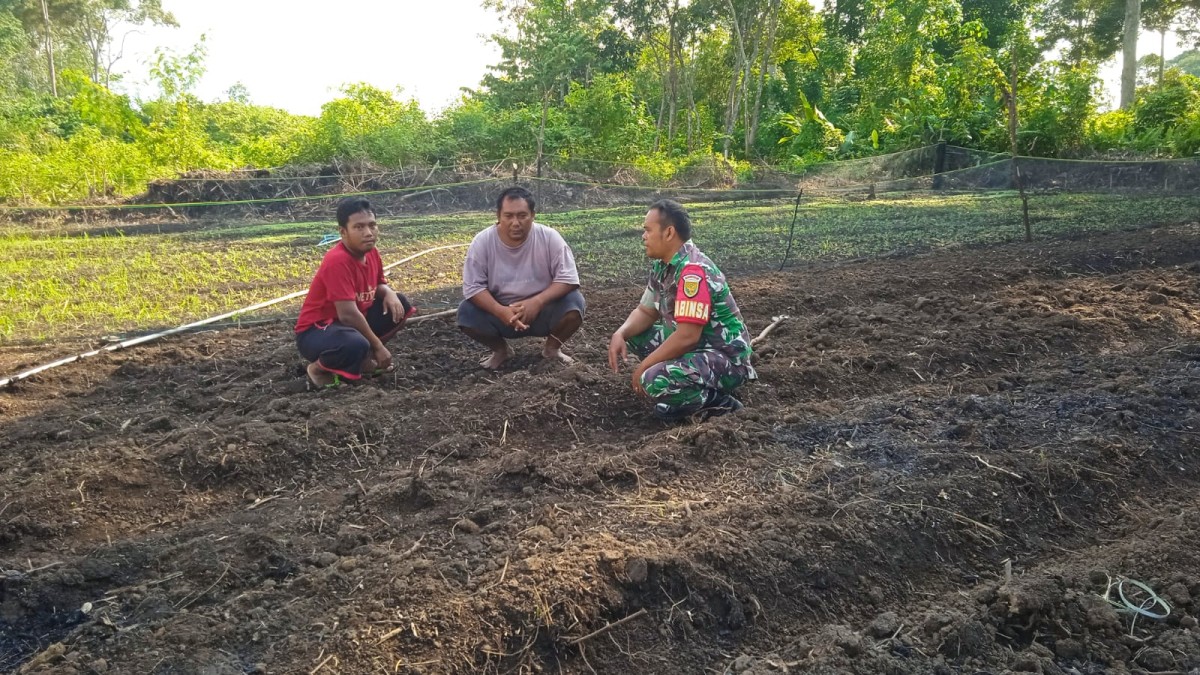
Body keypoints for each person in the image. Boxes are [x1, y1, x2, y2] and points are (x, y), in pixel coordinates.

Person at [607, 199, 756, 420]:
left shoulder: (692, 272)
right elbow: (646, 311)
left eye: (648, 230)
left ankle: (719, 404)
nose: (643, 236)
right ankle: (692, 387)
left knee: (653, 380)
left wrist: (643, 369)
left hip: (726, 359)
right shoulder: (663, 266)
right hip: (698, 350)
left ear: (668, 233)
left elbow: (687, 337)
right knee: (633, 336)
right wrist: (620, 333)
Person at [458, 186, 585, 369]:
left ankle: (552, 349)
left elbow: (569, 279)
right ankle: (501, 351)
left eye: (522, 215)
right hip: (501, 313)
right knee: (466, 313)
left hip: (543, 312)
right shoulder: (482, 242)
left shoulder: (549, 238)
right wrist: (500, 310)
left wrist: (537, 302)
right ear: (498, 216)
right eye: (508, 216)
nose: (515, 222)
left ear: (533, 215)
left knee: (574, 303)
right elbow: (473, 287)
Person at [295, 197, 415, 389]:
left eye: (372, 225)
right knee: (355, 343)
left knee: (400, 304)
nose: (368, 233)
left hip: (346, 325)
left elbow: (377, 285)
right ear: (343, 232)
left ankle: (363, 359)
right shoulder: (338, 261)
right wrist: (378, 347)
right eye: (359, 227)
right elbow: (348, 315)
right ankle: (318, 369)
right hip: (316, 331)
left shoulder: (371, 253)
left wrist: (389, 292)